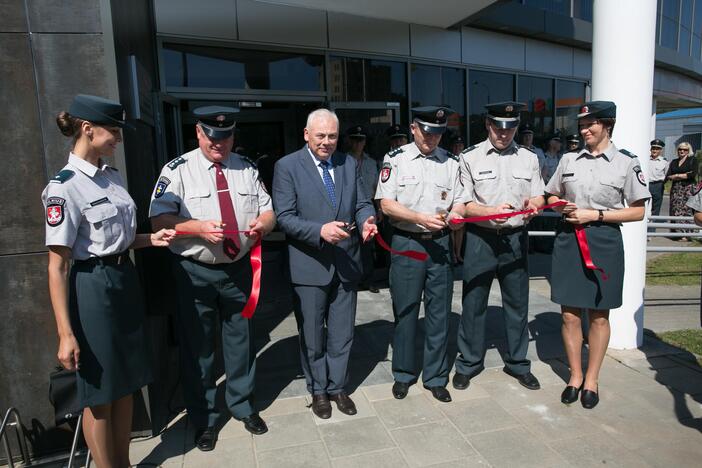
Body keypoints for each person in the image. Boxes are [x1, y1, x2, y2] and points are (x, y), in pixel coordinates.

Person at [43, 94, 176, 467]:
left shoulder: (111, 177)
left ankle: (123, 463)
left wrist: (151, 239)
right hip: (92, 289)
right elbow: (57, 266)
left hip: (124, 281)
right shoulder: (64, 187)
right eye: (114, 131)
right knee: (100, 394)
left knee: (126, 387)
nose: (118, 139)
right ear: (88, 129)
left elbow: (115, 240)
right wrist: (65, 334)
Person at [149, 106, 275, 449]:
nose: (220, 144)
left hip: (239, 270)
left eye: (227, 137)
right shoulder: (177, 171)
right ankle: (203, 419)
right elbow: (158, 221)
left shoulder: (246, 168)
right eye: (213, 137)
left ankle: (242, 405)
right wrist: (197, 229)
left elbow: (267, 209)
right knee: (198, 348)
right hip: (195, 272)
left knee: (242, 342)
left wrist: (263, 224)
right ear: (199, 133)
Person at [273, 109, 377, 419]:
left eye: (332, 136)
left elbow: (361, 202)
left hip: (346, 261)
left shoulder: (348, 163)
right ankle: (318, 390)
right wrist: (319, 230)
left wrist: (367, 220)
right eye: (321, 136)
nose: (327, 142)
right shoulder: (287, 166)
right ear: (306, 134)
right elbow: (285, 217)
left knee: (342, 332)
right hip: (309, 265)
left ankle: (337, 387)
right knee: (313, 334)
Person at [545, 101, 650, 409]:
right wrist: (558, 204)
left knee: (600, 315)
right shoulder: (568, 159)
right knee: (569, 314)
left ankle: (592, 379)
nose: (584, 130)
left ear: (608, 125)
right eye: (581, 125)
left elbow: (638, 211)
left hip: (604, 241)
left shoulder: (626, 162)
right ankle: (574, 376)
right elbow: (553, 193)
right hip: (568, 239)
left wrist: (597, 215)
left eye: (590, 124)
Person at [376, 106, 468, 403]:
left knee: (439, 313)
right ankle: (403, 374)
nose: (432, 138)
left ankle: (436, 376)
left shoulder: (451, 162)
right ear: (414, 128)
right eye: (427, 131)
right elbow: (386, 205)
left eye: (438, 133)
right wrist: (419, 217)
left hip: (439, 244)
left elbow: (461, 201)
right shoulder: (396, 159)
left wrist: (456, 215)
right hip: (408, 243)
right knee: (406, 311)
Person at [453, 101, 545, 393]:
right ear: (488, 124)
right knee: (473, 302)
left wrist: (534, 205)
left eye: (510, 127)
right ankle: (468, 362)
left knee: (517, 304)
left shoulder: (529, 158)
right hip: (481, 238)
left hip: (516, 238)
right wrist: (493, 211)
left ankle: (518, 362)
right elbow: (464, 205)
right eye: (498, 127)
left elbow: (539, 195)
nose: (504, 134)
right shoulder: (469, 158)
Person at [347, 125, 381, 293]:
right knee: (349, 245)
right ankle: (353, 279)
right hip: (347, 209)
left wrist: (379, 209)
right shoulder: (342, 161)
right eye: (355, 140)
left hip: (367, 208)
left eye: (361, 140)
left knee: (367, 247)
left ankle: (368, 280)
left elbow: (376, 189)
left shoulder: (372, 162)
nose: (358, 143)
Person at [665, 141, 698, 241]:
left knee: (686, 210)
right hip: (676, 189)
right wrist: (683, 175)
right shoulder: (674, 162)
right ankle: (677, 234)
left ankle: (687, 234)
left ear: (688, 151)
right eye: (680, 149)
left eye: (684, 149)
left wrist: (677, 175)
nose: (682, 151)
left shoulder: (693, 160)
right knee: (675, 210)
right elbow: (669, 175)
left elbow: (692, 174)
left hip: (688, 188)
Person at [647, 139, 668, 231]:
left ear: (661, 150)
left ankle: (652, 230)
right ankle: (641, 229)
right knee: (644, 206)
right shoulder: (645, 159)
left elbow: (667, 175)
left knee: (656, 208)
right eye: (653, 148)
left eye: (657, 149)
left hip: (658, 185)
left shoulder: (664, 162)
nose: (655, 150)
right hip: (646, 185)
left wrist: (662, 184)